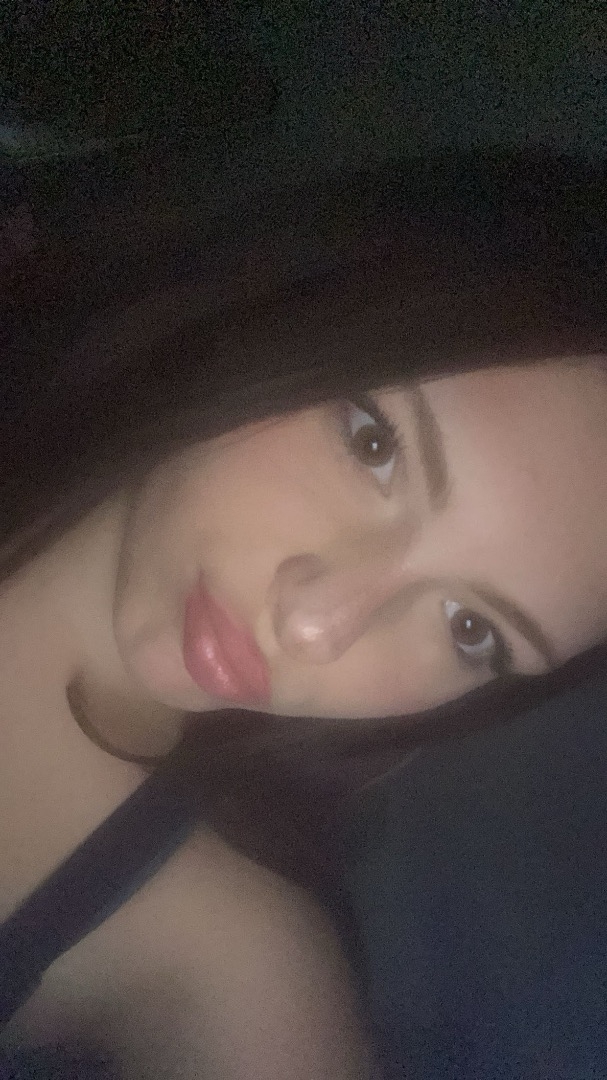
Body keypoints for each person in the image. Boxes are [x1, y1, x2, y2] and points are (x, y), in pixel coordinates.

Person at [0, 161, 606, 1077]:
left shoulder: (232, 966)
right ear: (286, 307)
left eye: (470, 631)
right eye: (373, 445)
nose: (318, 625)